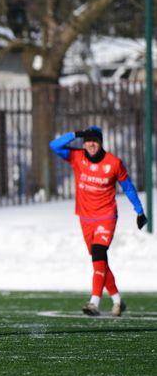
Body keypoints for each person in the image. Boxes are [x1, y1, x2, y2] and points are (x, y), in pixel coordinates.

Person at [49, 126, 147, 317]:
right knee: (99, 261)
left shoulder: (114, 163)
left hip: (106, 216)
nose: (91, 144)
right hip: (85, 218)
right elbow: (54, 145)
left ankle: (94, 302)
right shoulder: (76, 156)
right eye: (87, 140)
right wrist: (76, 134)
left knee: (99, 253)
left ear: (101, 142)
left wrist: (139, 211)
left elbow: (128, 187)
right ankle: (117, 300)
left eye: (94, 140)